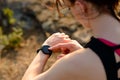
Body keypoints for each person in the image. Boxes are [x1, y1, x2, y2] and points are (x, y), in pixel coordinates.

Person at [22, 0, 120, 80]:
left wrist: (45, 49)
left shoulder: (73, 63)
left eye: (69, 7)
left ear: (80, 6)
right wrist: (87, 54)